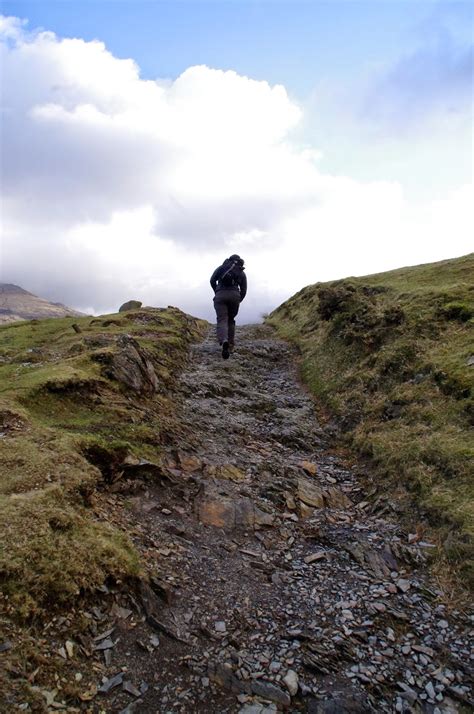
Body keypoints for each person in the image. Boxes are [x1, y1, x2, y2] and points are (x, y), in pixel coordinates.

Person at [210, 254, 247, 359]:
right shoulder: (241, 272)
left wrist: (217, 291)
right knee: (231, 319)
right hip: (235, 296)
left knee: (222, 319)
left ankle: (224, 340)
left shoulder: (221, 268)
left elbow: (212, 280)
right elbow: (244, 290)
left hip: (220, 295)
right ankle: (230, 345)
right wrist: (239, 299)